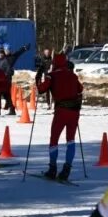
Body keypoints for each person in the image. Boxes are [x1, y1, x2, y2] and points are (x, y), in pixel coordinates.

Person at [36, 52, 82, 181]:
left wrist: (38, 78)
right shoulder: (73, 75)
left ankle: (52, 168)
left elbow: (41, 89)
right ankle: (67, 168)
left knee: (54, 139)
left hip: (61, 111)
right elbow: (80, 89)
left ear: (54, 63)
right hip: (74, 112)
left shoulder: (52, 76)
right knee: (71, 140)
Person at [0, 44, 30, 114]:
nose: (7, 51)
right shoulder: (0, 59)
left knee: (4, 94)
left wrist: (24, 48)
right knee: (5, 94)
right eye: (6, 50)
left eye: (8, 50)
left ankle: (8, 108)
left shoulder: (11, 57)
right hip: (1, 79)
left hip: (7, 79)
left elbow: (18, 53)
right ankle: (9, 108)